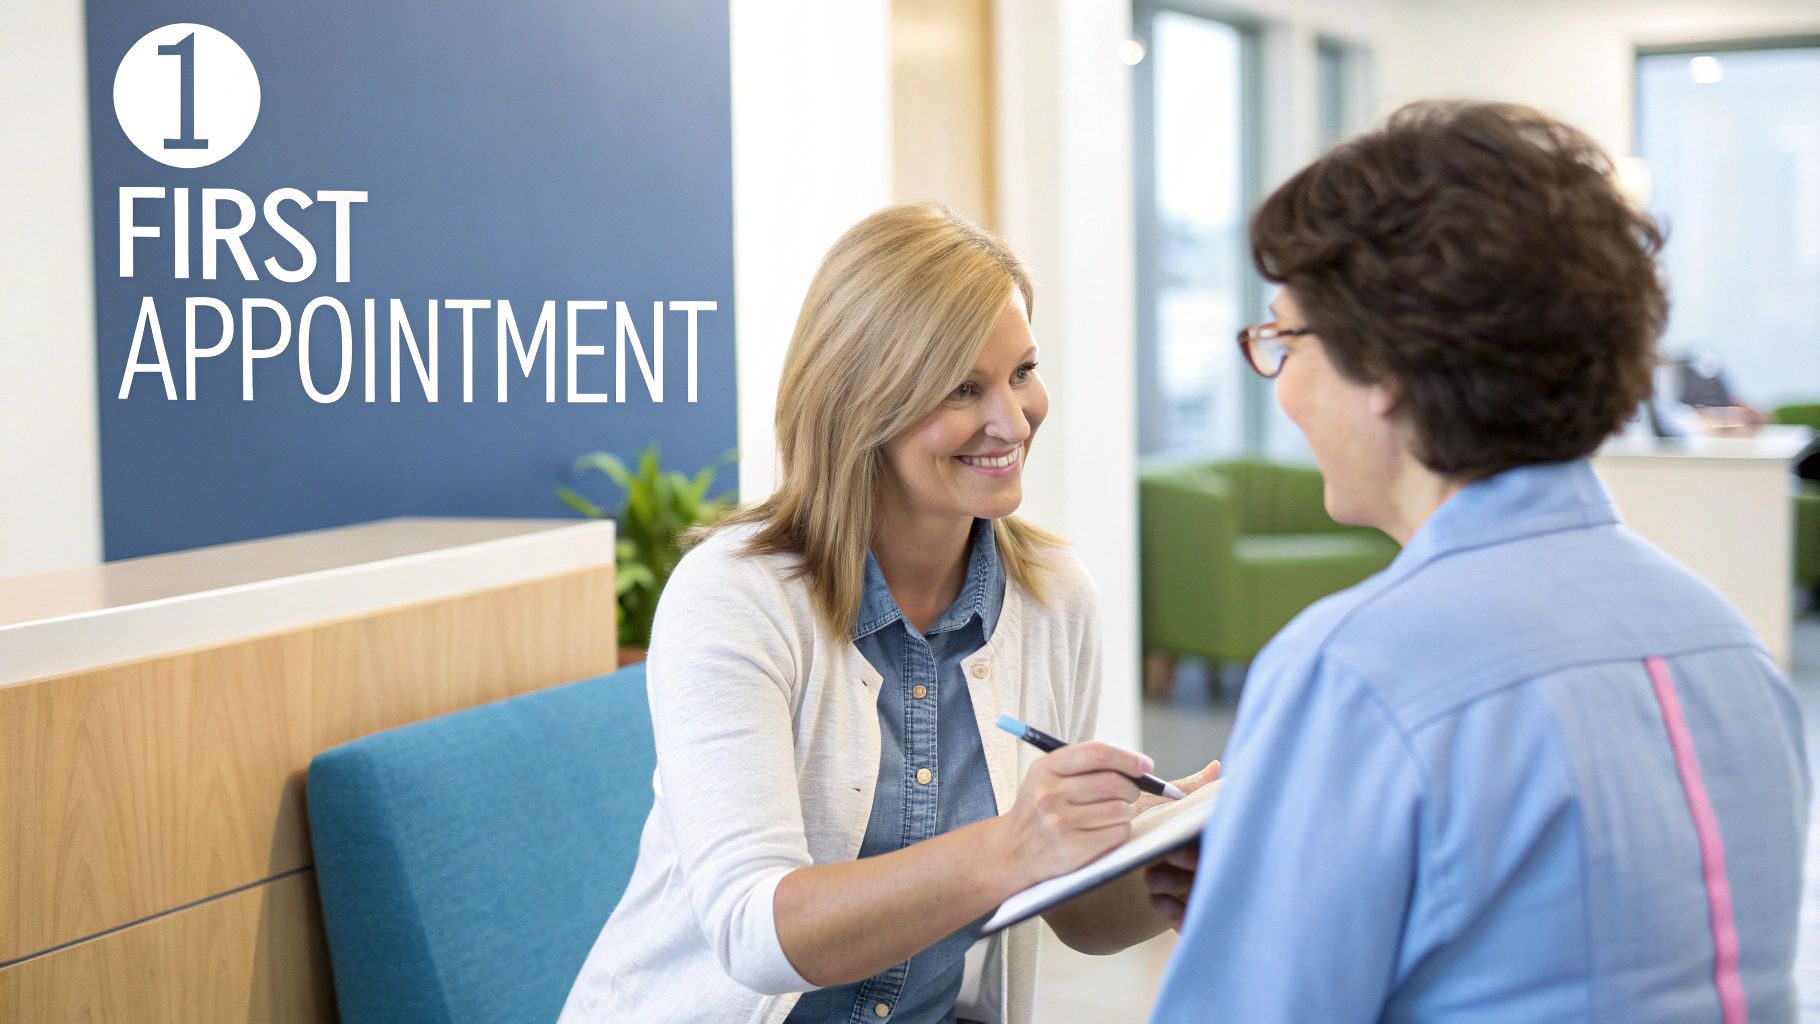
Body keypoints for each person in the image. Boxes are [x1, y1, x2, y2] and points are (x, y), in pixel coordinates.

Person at [1148, 101, 1809, 1021]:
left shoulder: (1356, 671)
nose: (1284, 386)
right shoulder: (1728, 648)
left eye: (1286, 338)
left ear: (1384, 367)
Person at [559, 202, 1216, 1024]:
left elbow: (1074, 915)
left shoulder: (1054, 597)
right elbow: (755, 932)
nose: (1013, 420)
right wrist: (1012, 843)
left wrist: (1153, 862)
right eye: (960, 388)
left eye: (1022, 372)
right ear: (862, 402)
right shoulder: (732, 598)